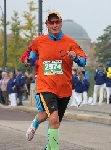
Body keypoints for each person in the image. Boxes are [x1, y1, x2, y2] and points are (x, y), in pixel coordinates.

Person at [22, 12, 87, 150]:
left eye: (57, 22)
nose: (54, 25)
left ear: (61, 23)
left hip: (64, 88)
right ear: (47, 25)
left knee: (55, 123)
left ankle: (49, 147)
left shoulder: (70, 42)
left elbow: (83, 61)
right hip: (46, 85)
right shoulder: (40, 41)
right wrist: (28, 61)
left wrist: (75, 57)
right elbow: (30, 56)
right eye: (51, 23)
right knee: (53, 118)